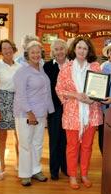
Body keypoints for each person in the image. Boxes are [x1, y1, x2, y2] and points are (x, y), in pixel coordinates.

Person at [55, 37, 102, 190]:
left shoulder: (95, 67)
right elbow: (59, 90)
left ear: (89, 51)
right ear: (74, 49)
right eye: (79, 47)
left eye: (85, 48)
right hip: (72, 113)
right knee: (72, 146)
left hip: (91, 112)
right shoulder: (66, 68)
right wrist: (76, 95)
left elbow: (100, 90)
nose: (82, 51)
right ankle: (73, 176)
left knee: (88, 146)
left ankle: (84, 175)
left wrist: (92, 99)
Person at [13, 41, 54, 186]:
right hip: (26, 114)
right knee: (25, 144)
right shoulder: (22, 72)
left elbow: (46, 92)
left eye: (38, 52)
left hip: (41, 113)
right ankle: (25, 174)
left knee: (37, 143)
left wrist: (49, 111)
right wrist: (29, 112)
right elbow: (20, 95)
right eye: (33, 52)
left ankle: (36, 170)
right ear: (27, 55)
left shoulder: (41, 69)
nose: (36, 55)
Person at [0, 39, 21, 180]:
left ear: (13, 49)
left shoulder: (20, 67)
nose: (7, 50)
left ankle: (19, 163)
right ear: (1, 51)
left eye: (9, 47)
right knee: (2, 137)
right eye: (4, 48)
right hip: (2, 102)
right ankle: (2, 166)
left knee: (19, 136)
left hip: (17, 102)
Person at [43, 39, 68, 180]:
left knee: (66, 140)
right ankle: (54, 170)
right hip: (53, 108)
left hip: (69, 108)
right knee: (54, 139)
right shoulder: (47, 67)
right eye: (56, 49)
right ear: (53, 52)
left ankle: (65, 167)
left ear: (65, 50)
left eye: (62, 48)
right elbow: (45, 89)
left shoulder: (72, 66)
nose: (59, 51)